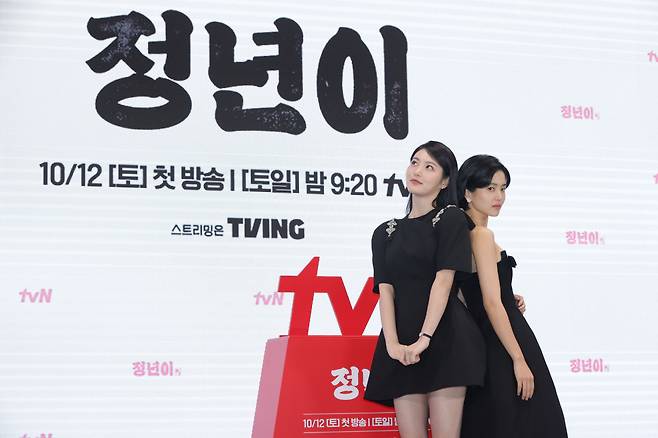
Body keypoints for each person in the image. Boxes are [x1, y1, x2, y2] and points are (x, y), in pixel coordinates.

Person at [364, 141, 485, 438]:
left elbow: (443, 282)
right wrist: (392, 344)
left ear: (445, 181)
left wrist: (424, 338)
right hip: (401, 344)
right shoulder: (385, 232)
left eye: (429, 167)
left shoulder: (450, 218)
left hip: (446, 340)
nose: (417, 171)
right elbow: (386, 290)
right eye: (415, 162)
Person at [456, 155, 568, 438]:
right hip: (504, 342)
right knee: (531, 421)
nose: (499, 197)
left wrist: (507, 293)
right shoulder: (481, 235)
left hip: (487, 340)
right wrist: (518, 359)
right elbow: (491, 303)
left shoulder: (460, 233)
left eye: (503, 188)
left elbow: (467, 292)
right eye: (490, 188)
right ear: (468, 192)